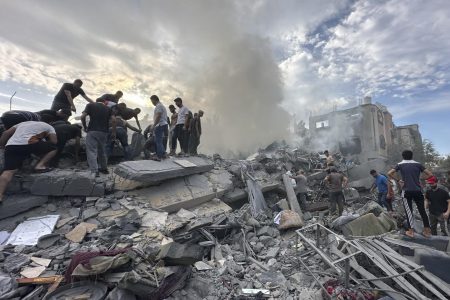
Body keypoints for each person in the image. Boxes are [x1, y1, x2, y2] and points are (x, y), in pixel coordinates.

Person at [0, 121, 58, 202]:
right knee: (54, 148)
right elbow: (54, 141)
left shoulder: (22, 123)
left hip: (11, 146)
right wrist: (44, 140)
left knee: (8, 171)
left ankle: (0, 195)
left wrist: (2, 146)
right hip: (30, 143)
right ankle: (40, 166)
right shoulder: (49, 127)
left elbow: (5, 133)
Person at [388, 150, 434, 238]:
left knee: (409, 211)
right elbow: (430, 174)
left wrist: (399, 180)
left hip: (407, 191)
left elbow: (389, 173)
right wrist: (421, 180)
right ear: (412, 156)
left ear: (403, 156)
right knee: (422, 211)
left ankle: (411, 231)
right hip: (418, 190)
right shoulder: (418, 164)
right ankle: (427, 231)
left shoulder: (400, 164)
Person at [81, 102, 116, 177]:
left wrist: (85, 127)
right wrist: (113, 132)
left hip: (92, 131)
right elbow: (114, 120)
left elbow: (82, 117)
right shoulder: (108, 109)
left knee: (91, 151)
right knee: (102, 150)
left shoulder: (90, 105)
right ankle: (104, 169)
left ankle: (94, 171)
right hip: (104, 132)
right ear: (104, 103)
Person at [0, 109, 70, 130]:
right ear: (62, 113)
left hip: (13, 114)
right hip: (18, 116)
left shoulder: (51, 113)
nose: (64, 118)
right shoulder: (50, 114)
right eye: (65, 116)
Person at [150, 95, 168, 161]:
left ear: (155, 99)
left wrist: (153, 125)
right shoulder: (162, 106)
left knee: (158, 141)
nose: (152, 103)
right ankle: (163, 154)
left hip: (160, 125)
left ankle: (159, 156)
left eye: (152, 101)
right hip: (164, 124)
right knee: (159, 140)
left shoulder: (159, 106)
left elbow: (158, 116)